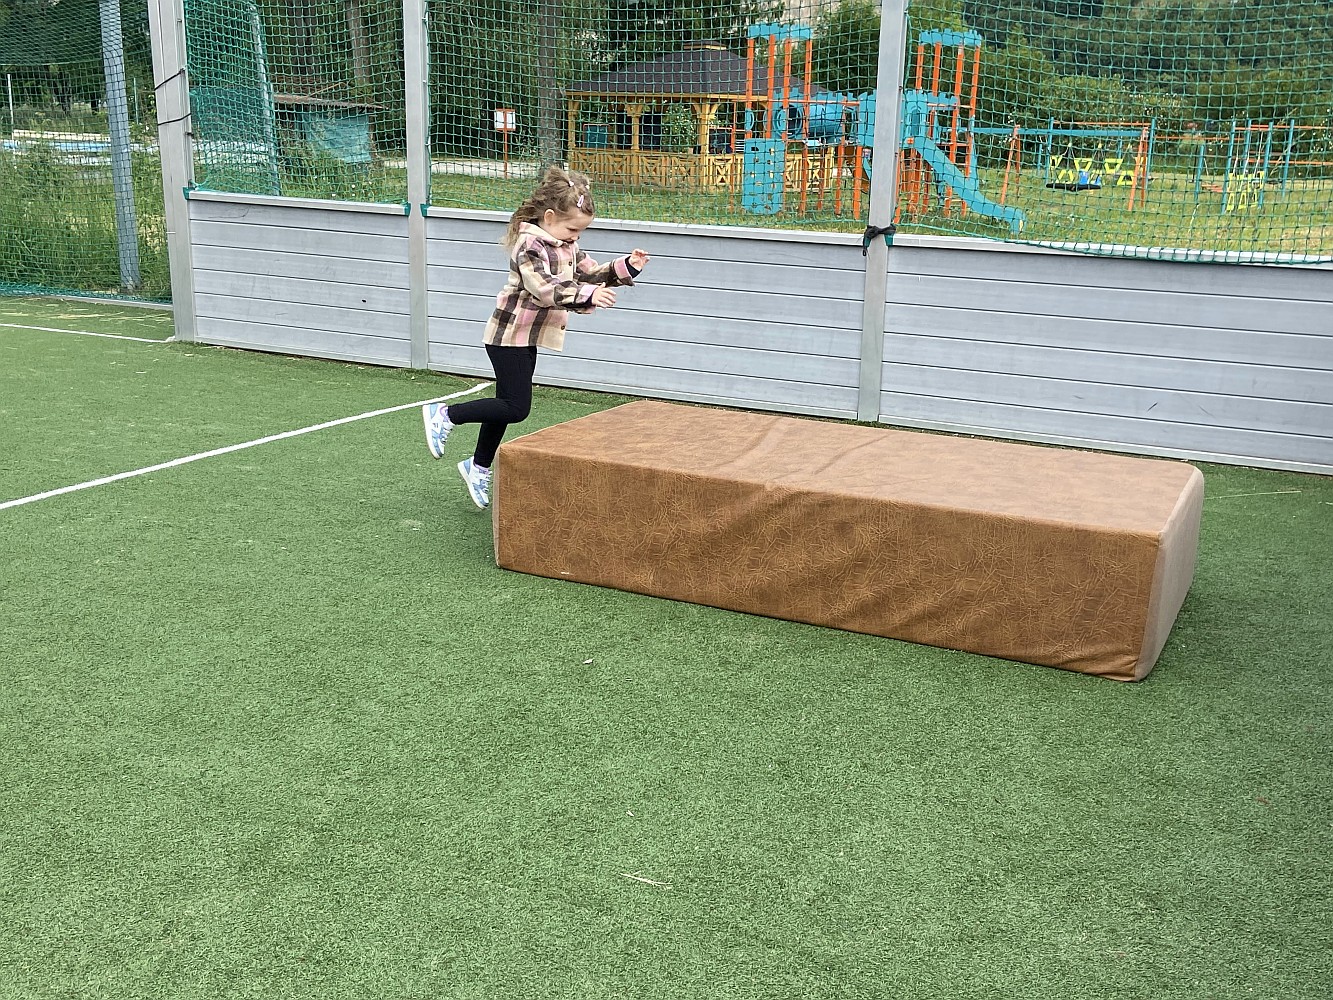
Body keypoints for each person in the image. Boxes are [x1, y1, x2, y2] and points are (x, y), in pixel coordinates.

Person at [421, 166, 649, 509]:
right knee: (516, 407)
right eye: (572, 229)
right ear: (549, 217)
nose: (576, 237)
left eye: (580, 231)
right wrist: (588, 295)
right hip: (507, 334)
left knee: (504, 406)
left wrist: (626, 267)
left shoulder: (566, 244)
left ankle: (477, 466)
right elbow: (543, 289)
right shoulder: (528, 245)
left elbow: (591, 272)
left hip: (526, 335)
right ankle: (445, 414)